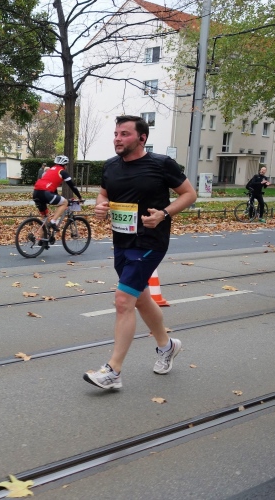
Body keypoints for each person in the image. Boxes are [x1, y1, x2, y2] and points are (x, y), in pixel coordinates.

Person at [84, 115, 197, 390]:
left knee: (123, 300)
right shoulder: (110, 166)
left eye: (124, 134)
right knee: (141, 299)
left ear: (142, 138)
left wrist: (164, 214)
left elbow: (189, 194)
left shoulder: (161, 164)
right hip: (121, 242)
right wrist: (100, 206)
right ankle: (167, 346)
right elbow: (103, 194)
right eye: (116, 134)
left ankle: (113, 371)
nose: (117, 139)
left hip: (150, 242)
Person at [32, 155, 83, 231]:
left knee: (46, 219)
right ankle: (53, 222)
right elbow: (72, 186)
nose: (66, 167)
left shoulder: (50, 170)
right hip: (45, 193)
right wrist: (80, 197)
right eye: (66, 165)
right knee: (65, 202)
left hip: (36, 193)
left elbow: (53, 187)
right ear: (65, 165)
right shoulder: (62, 172)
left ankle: (42, 237)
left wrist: (57, 196)